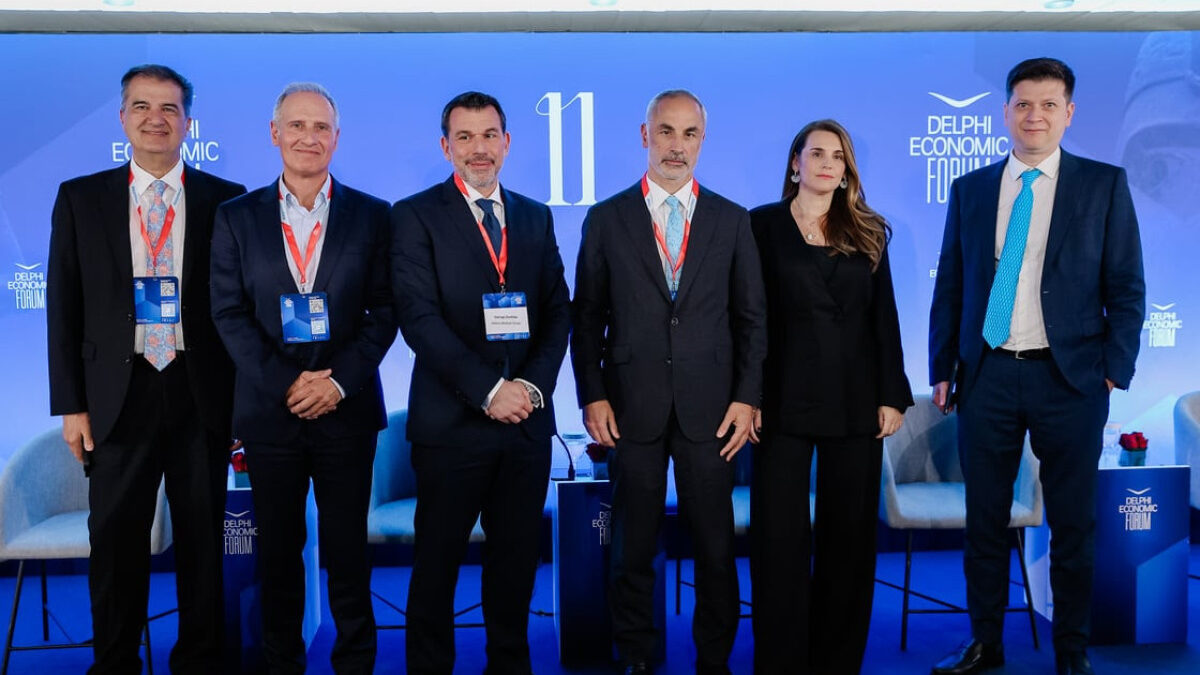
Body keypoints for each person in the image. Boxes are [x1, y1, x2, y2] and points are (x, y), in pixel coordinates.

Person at [929, 58, 1145, 675]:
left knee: (1074, 523)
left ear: (1069, 114)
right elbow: (952, 283)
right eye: (1023, 104)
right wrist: (943, 365)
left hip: (1071, 379)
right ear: (1005, 112)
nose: (1035, 116)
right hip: (988, 374)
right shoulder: (971, 189)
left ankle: (1071, 651)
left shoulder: (1103, 185)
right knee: (984, 521)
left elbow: (1127, 286)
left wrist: (1113, 369)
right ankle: (985, 643)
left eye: (1049, 105)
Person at [46, 63, 245, 674]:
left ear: (187, 121)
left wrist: (244, 405)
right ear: (122, 117)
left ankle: (200, 660)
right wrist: (71, 405)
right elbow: (63, 306)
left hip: (199, 392)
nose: (155, 119)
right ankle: (115, 662)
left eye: (168, 108)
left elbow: (238, 307)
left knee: (202, 539)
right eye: (141, 106)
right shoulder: (81, 198)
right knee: (114, 540)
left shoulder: (227, 199)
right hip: (116, 395)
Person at [571, 89, 767, 675]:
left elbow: (752, 320)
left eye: (689, 134)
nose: (676, 146)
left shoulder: (733, 220)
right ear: (644, 135)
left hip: (713, 411)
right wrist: (592, 395)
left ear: (702, 141)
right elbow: (587, 318)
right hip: (631, 407)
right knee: (632, 546)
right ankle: (637, 656)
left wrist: (747, 397)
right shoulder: (606, 218)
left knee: (715, 548)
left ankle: (714, 660)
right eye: (665, 131)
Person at [210, 82, 395, 674]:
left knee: (348, 553)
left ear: (337, 138)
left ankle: (355, 663)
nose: (308, 137)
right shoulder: (236, 217)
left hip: (347, 410)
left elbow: (385, 311)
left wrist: (336, 382)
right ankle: (281, 663)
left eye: (321, 127)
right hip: (271, 414)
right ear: (275, 133)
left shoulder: (374, 215)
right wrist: (286, 384)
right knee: (278, 554)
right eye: (297, 125)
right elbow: (228, 312)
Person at [393, 91, 570, 675]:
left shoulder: (535, 216)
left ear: (507, 142)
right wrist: (491, 391)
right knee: (436, 566)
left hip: (525, 426)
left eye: (489, 135)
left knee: (515, 566)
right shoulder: (414, 215)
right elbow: (419, 319)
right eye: (465, 137)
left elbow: (558, 311)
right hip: (451, 426)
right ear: (446, 146)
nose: (479, 149)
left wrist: (531, 389)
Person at [749, 119, 913, 674]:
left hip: (855, 400)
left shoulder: (869, 229)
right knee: (778, 539)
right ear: (795, 162)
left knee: (849, 539)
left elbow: (884, 318)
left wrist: (892, 394)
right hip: (780, 400)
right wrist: (747, 395)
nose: (826, 163)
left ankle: (836, 661)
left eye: (837, 156)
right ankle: (781, 661)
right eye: (816, 152)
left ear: (847, 171)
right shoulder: (759, 225)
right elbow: (747, 317)